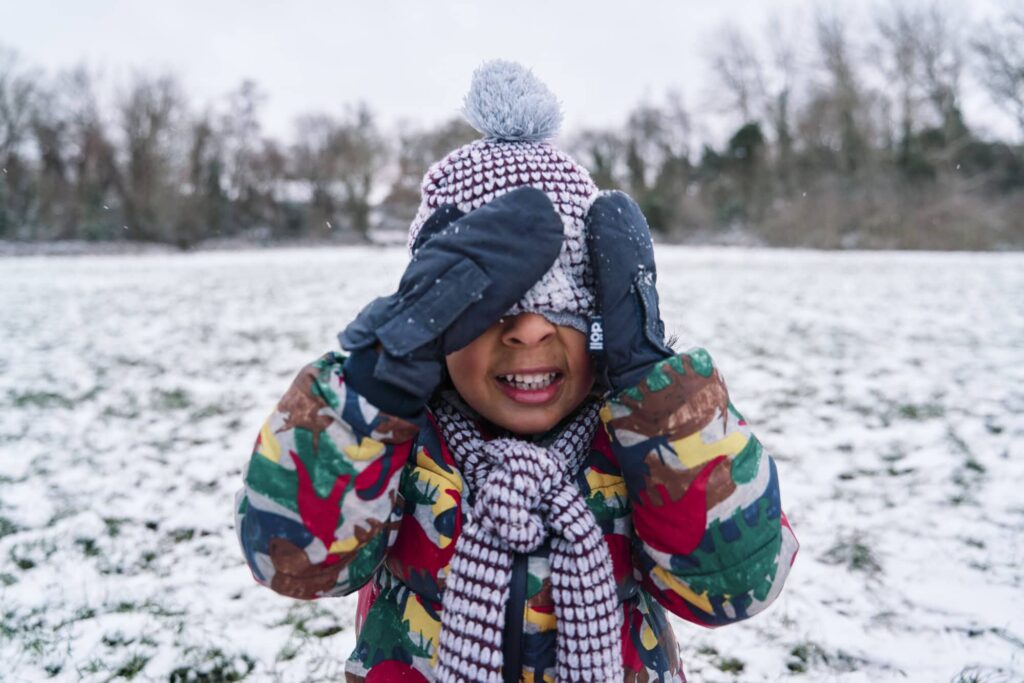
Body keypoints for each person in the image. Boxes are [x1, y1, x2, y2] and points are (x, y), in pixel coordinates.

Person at [235, 60, 799, 683]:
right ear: (433, 321)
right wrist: (372, 384)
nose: (529, 329)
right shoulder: (396, 442)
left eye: (566, 305)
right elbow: (292, 558)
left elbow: (739, 583)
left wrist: (655, 385)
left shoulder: (640, 440)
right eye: (491, 307)